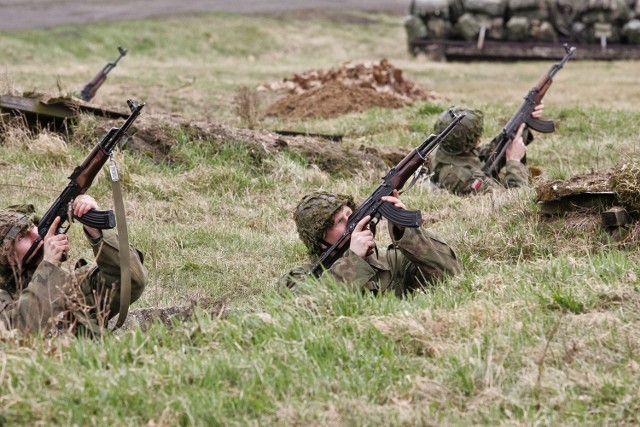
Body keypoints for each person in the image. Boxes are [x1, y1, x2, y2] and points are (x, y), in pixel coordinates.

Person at [0, 195, 147, 336]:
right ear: (8, 257)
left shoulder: (70, 282)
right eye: (21, 237)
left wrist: (94, 229)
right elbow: (21, 332)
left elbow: (131, 281)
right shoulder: (5, 299)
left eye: (31, 226)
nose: (36, 234)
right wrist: (48, 267)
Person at [278, 190, 462, 296]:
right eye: (339, 222)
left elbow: (452, 274)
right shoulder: (298, 279)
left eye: (349, 214)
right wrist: (353, 260)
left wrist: (407, 230)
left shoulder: (391, 261)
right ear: (321, 240)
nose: (351, 221)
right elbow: (308, 307)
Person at [428, 103, 545, 195]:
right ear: (467, 144)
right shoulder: (461, 177)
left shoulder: (449, 150)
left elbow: (486, 154)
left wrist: (523, 122)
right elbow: (511, 200)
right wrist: (514, 162)